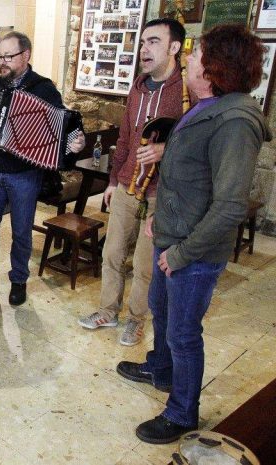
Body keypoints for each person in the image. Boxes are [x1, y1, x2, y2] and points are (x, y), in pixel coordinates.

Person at [117, 24, 270, 444]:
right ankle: (160, 369)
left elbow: (229, 206)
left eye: (197, 54)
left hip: (194, 252)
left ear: (216, 66)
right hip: (174, 235)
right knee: (162, 315)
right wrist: (160, 218)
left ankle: (183, 412)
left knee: (184, 333)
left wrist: (182, 253)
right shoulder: (205, 107)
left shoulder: (236, 121)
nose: (188, 59)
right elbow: (189, 177)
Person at [78, 18, 186, 346]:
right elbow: (125, 138)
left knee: (144, 262)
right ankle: (107, 310)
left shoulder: (187, 92)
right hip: (127, 185)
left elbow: (198, 145)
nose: (143, 49)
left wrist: (166, 149)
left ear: (174, 48)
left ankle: (137, 320)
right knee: (112, 253)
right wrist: (112, 181)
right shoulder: (137, 87)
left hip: (161, 192)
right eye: (141, 43)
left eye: (153, 42)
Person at [0, 31, 85, 306]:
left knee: (21, 230)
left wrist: (76, 142)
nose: (1, 62)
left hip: (25, 175)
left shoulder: (44, 89)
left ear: (25, 56)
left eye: (8, 56)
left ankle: (18, 279)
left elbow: (68, 125)